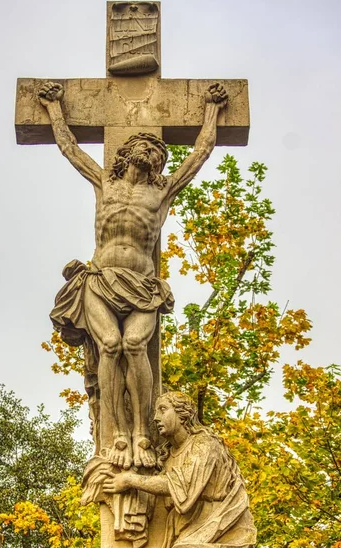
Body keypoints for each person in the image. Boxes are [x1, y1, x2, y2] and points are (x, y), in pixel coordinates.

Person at [39, 82, 228, 471]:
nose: (154, 155)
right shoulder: (104, 183)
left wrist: (211, 110)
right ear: (128, 153)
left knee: (134, 345)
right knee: (110, 345)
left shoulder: (160, 193)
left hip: (143, 285)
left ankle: (143, 431)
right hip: (101, 280)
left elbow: (199, 154)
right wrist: (55, 108)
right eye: (148, 149)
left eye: (159, 154)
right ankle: (118, 434)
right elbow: (71, 150)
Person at [102, 392, 257, 548]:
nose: (156, 417)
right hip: (185, 529)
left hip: (221, 526)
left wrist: (130, 480)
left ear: (183, 415)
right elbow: (158, 492)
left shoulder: (205, 443)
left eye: (163, 409)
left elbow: (181, 484)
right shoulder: (167, 454)